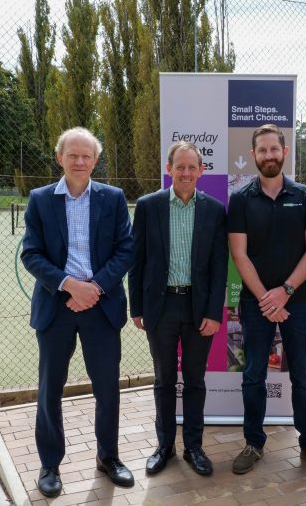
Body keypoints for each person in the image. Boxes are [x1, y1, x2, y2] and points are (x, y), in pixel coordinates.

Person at [20, 127, 136, 497]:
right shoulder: (40, 200)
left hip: (101, 307)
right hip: (56, 307)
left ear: (96, 160)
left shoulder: (113, 198)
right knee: (50, 388)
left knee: (107, 388)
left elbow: (126, 251)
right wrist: (70, 286)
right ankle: (50, 464)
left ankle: (108, 457)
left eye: (87, 156)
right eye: (73, 155)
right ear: (60, 158)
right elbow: (31, 254)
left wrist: (95, 288)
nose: (80, 161)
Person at [227, 124, 306, 478]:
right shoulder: (241, 199)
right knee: (253, 375)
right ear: (254, 155)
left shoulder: (304, 195)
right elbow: (239, 255)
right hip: (257, 305)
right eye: (262, 151)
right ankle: (253, 443)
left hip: (298, 303)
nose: (269, 155)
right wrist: (265, 298)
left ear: (284, 152)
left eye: (274, 149)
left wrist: (285, 291)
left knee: (303, 377)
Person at [129, 141, 228, 477]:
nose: (186, 173)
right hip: (161, 306)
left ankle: (194, 449)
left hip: (199, 308)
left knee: (196, 380)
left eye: (192, 167)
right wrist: (137, 307)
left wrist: (215, 312)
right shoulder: (148, 206)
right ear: (168, 169)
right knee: (164, 380)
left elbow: (219, 266)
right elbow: (137, 261)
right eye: (179, 167)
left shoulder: (215, 210)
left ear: (202, 171)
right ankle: (165, 447)